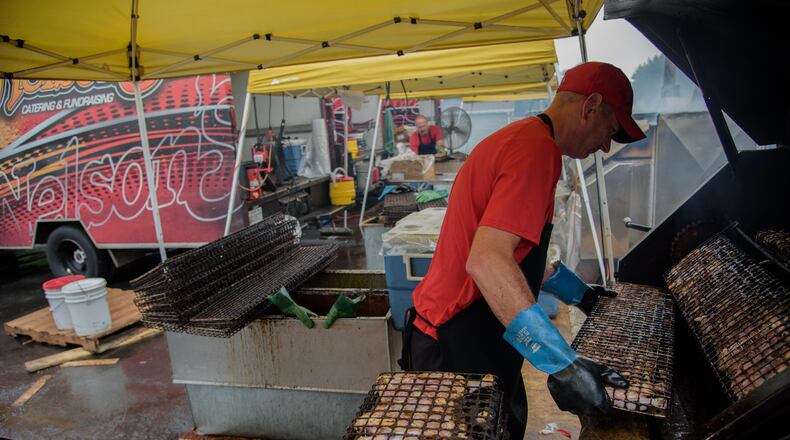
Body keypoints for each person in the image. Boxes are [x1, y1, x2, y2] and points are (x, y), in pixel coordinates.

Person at [399, 62, 646, 439]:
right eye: (609, 130)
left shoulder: (522, 140)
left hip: (461, 332)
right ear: (591, 106)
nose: (605, 146)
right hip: (452, 339)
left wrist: (578, 293)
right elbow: (487, 261)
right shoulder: (536, 150)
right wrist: (561, 363)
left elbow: (517, 257)